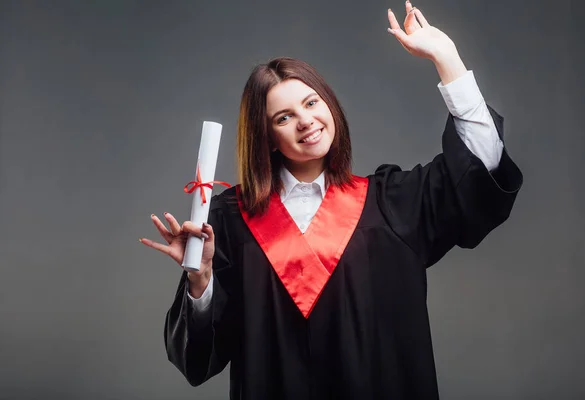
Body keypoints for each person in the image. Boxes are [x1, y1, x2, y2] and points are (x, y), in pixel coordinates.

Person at [139, 2, 523, 399]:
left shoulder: (392, 203)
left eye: (311, 103)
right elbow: (198, 358)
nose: (305, 120)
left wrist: (447, 59)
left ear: (329, 107)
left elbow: (481, 167)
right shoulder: (231, 220)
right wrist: (200, 278)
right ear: (266, 138)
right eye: (283, 117)